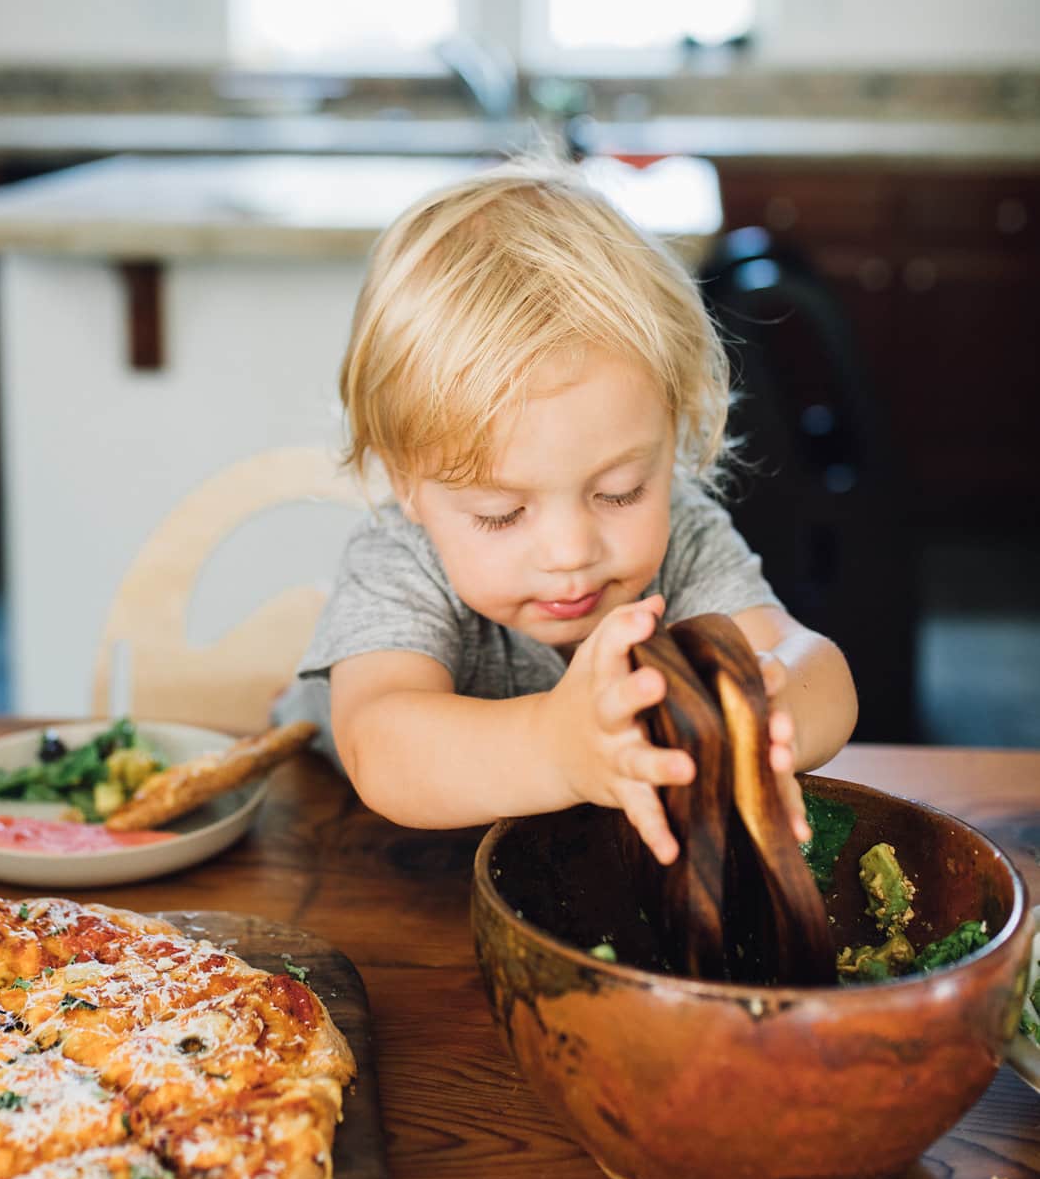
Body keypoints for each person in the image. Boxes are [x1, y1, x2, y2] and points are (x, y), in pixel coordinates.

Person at [279, 162, 858, 863]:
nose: (568, 552)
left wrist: (765, 715)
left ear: (671, 434)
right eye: (499, 513)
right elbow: (381, 748)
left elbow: (819, 672)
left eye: (617, 492)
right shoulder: (399, 563)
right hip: (345, 848)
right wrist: (559, 744)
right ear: (408, 485)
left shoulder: (685, 536)